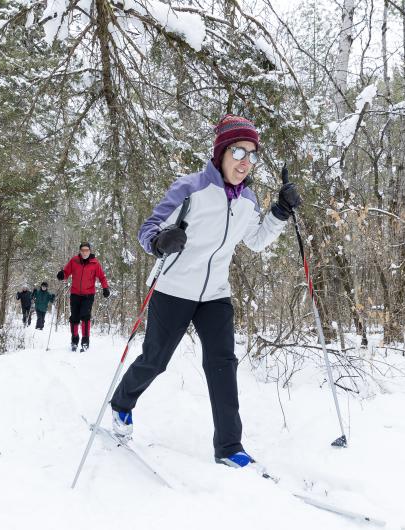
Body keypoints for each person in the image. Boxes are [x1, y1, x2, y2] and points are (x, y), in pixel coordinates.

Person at [108, 114, 301, 469]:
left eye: (252, 155)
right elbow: (149, 229)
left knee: (222, 364)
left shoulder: (248, 201)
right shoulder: (190, 188)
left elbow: (256, 241)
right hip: (174, 289)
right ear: (221, 153)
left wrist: (280, 212)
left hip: (215, 294)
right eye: (239, 151)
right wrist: (159, 241)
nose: (245, 161)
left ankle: (229, 446)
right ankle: (121, 404)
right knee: (156, 359)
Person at [57, 242, 110, 352]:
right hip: (75, 294)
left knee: (85, 316)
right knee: (74, 317)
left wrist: (105, 288)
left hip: (88, 295)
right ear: (80, 251)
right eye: (83, 250)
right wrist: (62, 274)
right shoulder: (74, 261)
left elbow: (102, 277)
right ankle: (74, 340)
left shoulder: (95, 263)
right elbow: (66, 272)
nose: (85, 252)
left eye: (87, 250)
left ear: (90, 251)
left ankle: (85, 342)